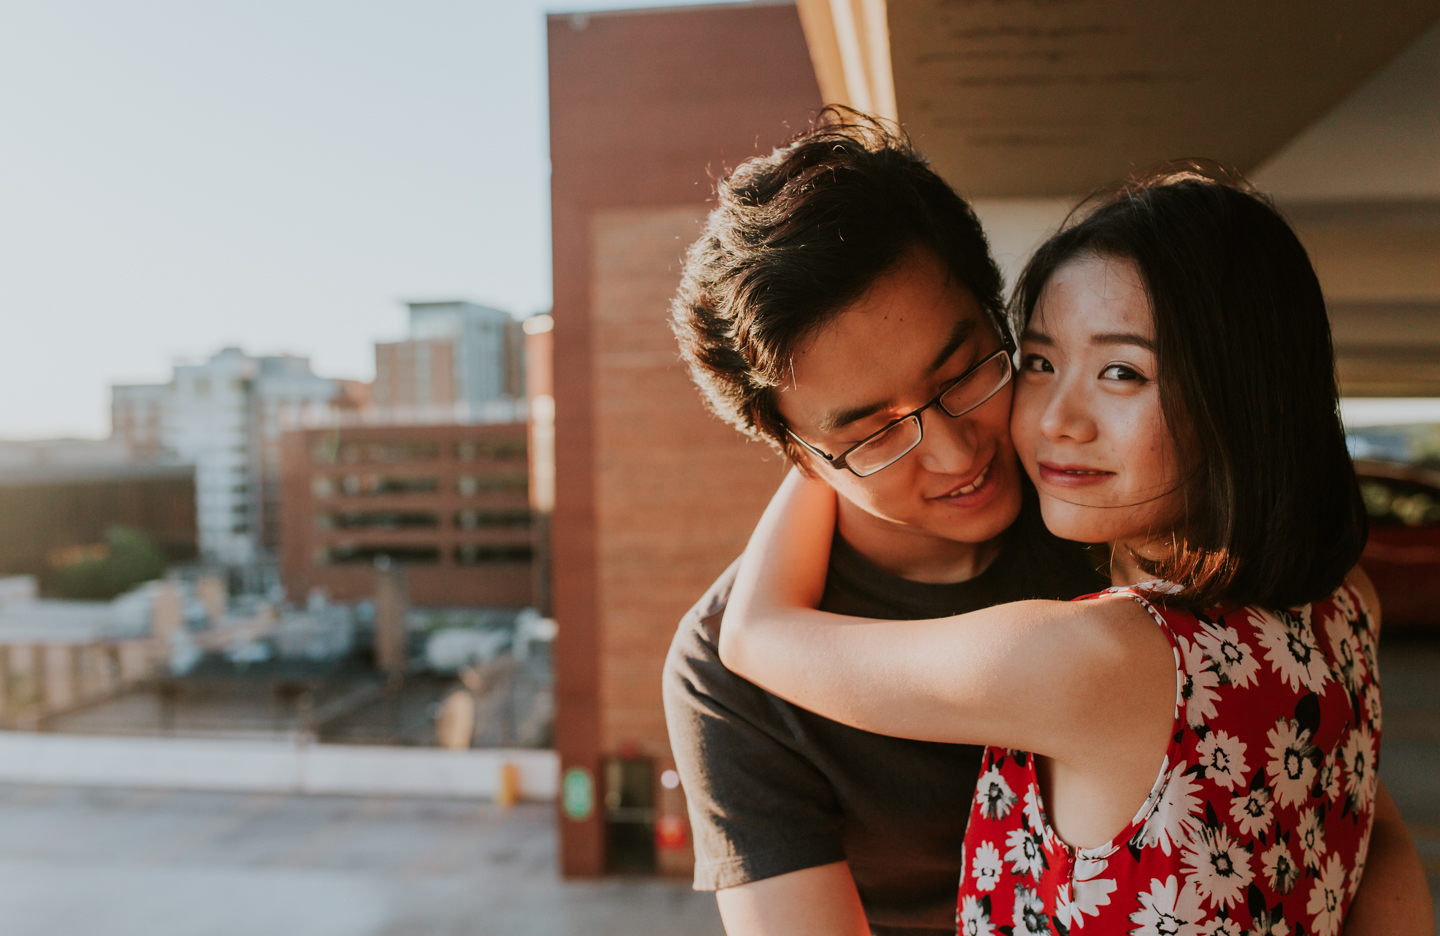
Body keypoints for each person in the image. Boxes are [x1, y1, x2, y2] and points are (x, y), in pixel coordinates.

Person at [663, 110, 1429, 936]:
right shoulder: (722, 672)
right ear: (798, 456)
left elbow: (1355, 821)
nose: (957, 453)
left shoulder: (1104, 507)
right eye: (875, 434)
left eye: (968, 372)